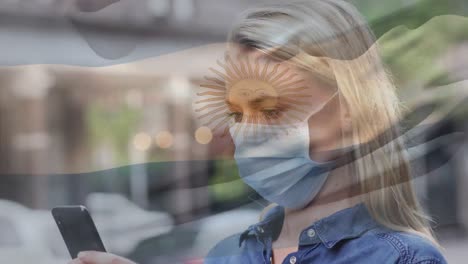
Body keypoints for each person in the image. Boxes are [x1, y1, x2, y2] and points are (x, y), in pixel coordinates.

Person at [69, 1, 447, 263]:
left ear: (348, 111)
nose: (249, 133)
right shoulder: (226, 255)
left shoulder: (400, 258)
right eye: (236, 112)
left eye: (270, 108)